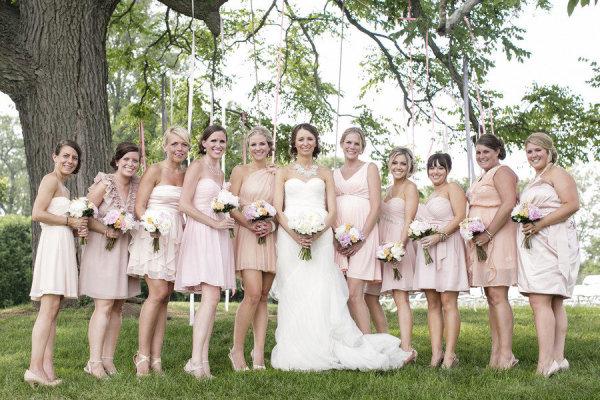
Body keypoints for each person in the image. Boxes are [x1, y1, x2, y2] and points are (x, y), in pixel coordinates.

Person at [270, 123, 411, 371]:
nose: (305, 143)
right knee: (295, 289)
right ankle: (297, 345)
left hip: (323, 235)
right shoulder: (283, 171)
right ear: (294, 142)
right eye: (301, 139)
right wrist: (295, 234)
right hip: (290, 236)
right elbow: (277, 209)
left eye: (310, 139)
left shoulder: (326, 172)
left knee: (322, 289)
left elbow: (331, 209)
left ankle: (334, 343)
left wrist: (319, 232)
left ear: (316, 142)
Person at [517, 132, 580, 377]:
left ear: (549, 150)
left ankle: (545, 364)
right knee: (552, 301)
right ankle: (558, 358)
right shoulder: (536, 178)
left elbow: (572, 204)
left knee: (540, 299)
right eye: (529, 151)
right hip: (538, 244)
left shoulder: (558, 173)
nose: (533, 155)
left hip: (554, 241)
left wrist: (540, 224)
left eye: (537, 150)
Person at [175, 125, 236, 379]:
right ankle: (196, 361)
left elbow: (219, 206)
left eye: (222, 141)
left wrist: (225, 218)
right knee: (210, 297)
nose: (218, 145)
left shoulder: (220, 173)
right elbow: (183, 204)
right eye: (213, 140)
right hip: (202, 233)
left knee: (211, 300)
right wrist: (215, 223)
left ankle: (200, 361)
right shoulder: (197, 167)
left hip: (218, 235)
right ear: (203, 143)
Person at [127, 127, 189, 376]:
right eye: (174, 144)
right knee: (157, 292)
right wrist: (150, 225)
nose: (179, 149)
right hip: (153, 235)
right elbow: (140, 207)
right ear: (165, 145)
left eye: (184, 145)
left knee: (165, 298)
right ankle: (141, 356)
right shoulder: (154, 170)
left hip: (175, 237)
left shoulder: (186, 175)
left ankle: (156, 359)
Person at [26, 140, 87, 386]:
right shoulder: (49, 180)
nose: (70, 161)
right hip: (51, 248)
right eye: (65, 156)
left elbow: (58, 220)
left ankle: (47, 367)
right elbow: (37, 213)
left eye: (74, 158)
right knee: (47, 308)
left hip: (62, 245)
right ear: (55, 156)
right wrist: (68, 222)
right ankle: (33, 367)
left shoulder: (64, 188)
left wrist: (76, 229)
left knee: (54, 310)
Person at [79, 142, 141, 378]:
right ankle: (93, 362)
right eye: (126, 159)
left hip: (124, 250)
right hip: (102, 250)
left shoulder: (137, 185)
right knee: (103, 305)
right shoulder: (104, 183)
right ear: (117, 161)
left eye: (135, 160)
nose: (130, 164)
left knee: (118, 306)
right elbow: (84, 214)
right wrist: (105, 230)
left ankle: (108, 359)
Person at [466, 134, 519, 369]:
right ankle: (495, 354)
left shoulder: (503, 172)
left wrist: (488, 233)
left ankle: (507, 355)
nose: (481, 156)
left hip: (497, 236)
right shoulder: (482, 176)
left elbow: (508, 203)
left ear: (498, 151)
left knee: (499, 296)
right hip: (482, 238)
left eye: (486, 151)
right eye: (478, 152)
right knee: (491, 298)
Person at [413, 153, 469, 369]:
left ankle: (451, 355)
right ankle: (436, 353)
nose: (435, 172)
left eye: (440, 168)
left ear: (448, 170)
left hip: (447, 246)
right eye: (432, 168)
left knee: (448, 302)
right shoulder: (431, 193)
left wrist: (439, 236)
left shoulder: (452, 188)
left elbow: (460, 217)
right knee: (433, 303)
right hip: (429, 251)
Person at [228, 126, 277, 371]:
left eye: (262, 144)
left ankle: (258, 352)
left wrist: (270, 224)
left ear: (269, 147)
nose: (258, 148)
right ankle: (236, 349)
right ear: (249, 148)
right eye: (253, 145)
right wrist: (249, 224)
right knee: (253, 293)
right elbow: (229, 205)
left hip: (268, 236)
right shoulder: (240, 171)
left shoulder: (276, 173)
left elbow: (281, 206)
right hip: (247, 234)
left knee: (265, 295)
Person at [333, 127, 382, 333]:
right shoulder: (333, 173)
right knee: (342, 293)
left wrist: (360, 237)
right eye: (348, 142)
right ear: (342, 144)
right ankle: (351, 341)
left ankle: (368, 343)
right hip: (339, 238)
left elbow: (377, 206)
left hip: (365, 235)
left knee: (354, 293)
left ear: (362, 148)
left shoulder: (370, 168)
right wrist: (337, 238)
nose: (352, 147)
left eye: (356, 143)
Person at [376, 147, 419, 362]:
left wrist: (398, 249)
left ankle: (407, 348)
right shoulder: (389, 189)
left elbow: (409, 221)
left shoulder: (410, 188)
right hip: (386, 245)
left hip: (399, 245)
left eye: (402, 163)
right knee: (391, 295)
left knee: (401, 297)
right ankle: (386, 341)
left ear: (409, 166)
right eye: (394, 163)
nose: (398, 167)